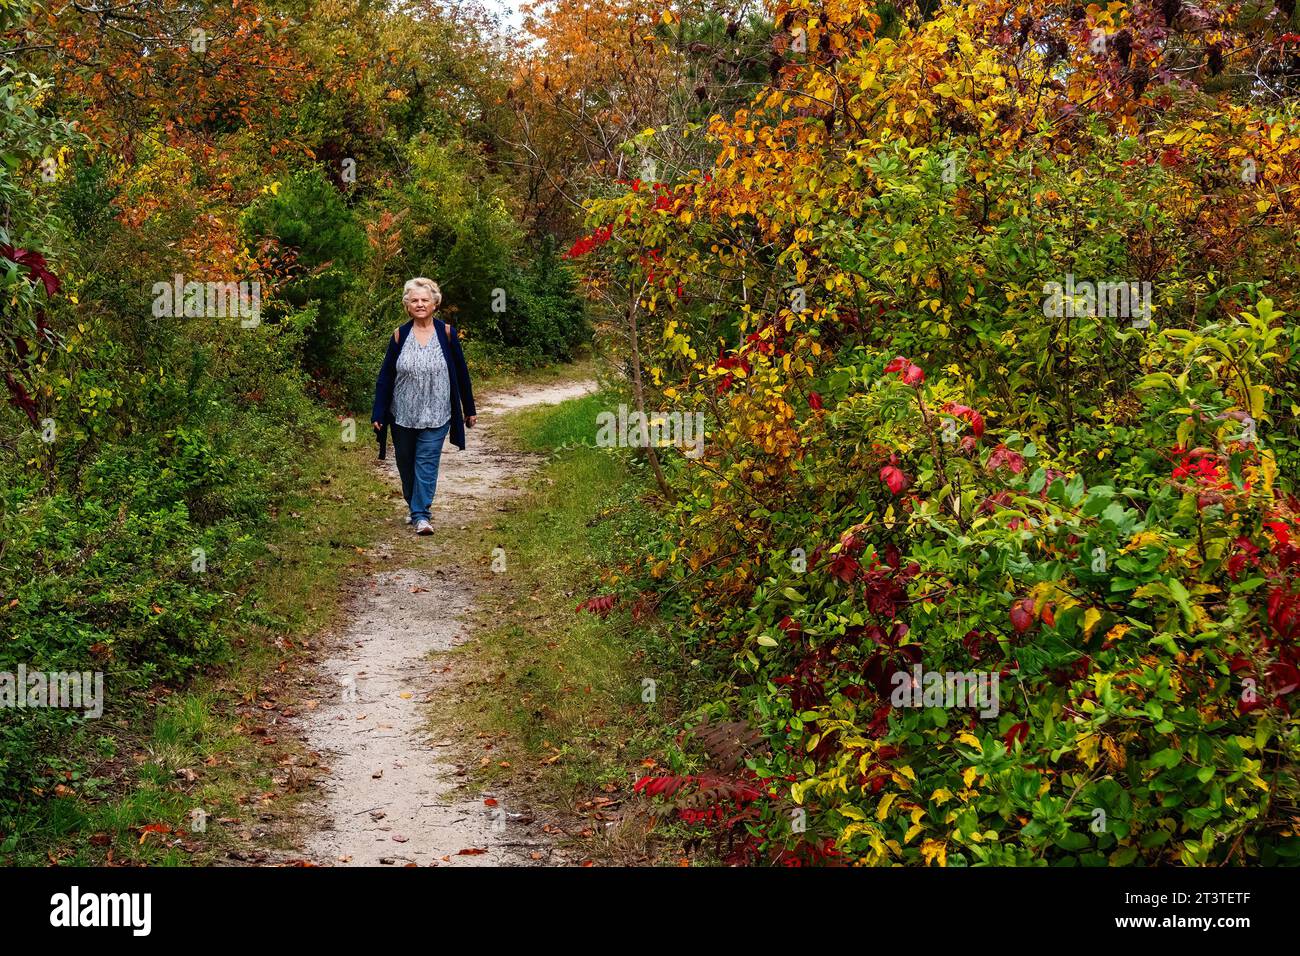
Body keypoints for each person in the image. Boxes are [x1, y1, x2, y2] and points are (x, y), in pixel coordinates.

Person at [371, 277, 477, 535]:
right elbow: (386, 376)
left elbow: (461, 374)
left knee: (427, 462)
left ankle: (421, 515)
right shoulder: (399, 335)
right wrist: (378, 412)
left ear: (435, 303)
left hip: (437, 412)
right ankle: (414, 505)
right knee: (406, 464)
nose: (419, 304)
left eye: (424, 300)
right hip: (402, 414)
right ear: (407, 306)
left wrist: (469, 408)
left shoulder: (447, 334)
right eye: (414, 300)